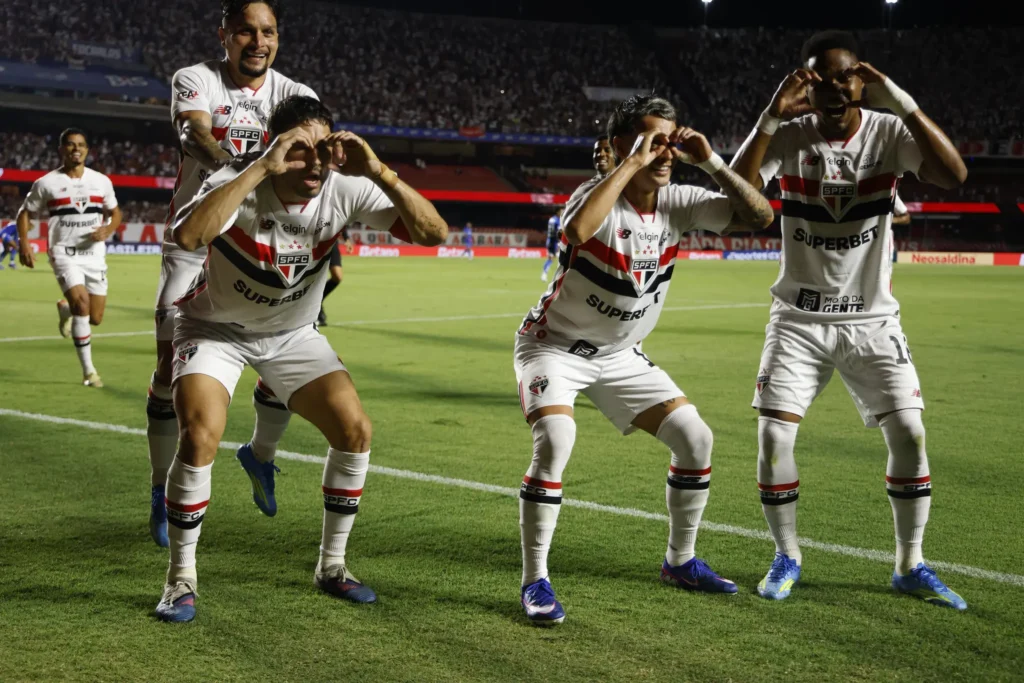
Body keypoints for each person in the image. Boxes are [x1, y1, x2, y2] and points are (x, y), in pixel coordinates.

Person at [155, 95, 448, 622]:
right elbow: (189, 236)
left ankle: (332, 567)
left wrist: (378, 170)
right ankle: (181, 580)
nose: (314, 162)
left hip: (291, 334)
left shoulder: (346, 188)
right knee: (200, 436)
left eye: (324, 150)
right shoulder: (236, 184)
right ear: (276, 144)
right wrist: (263, 165)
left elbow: (434, 234)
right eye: (299, 149)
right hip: (215, 328)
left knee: (354, 429)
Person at [514, 95, 774, 626]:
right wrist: (631, 160)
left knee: (696, 438)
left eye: (670, 141)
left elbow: (760, 216)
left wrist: (713, 162)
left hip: (619, 356)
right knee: (558, 440)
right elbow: (577, 232)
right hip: (553, 349)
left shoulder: (678, 200)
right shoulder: (596, 195)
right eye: (651, 140)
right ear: (618, 146)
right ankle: (534, 580)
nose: (664, 152)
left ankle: (679, 562)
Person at [730, 31, 968, 609]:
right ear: (804, 87)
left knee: (910, 433)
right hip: (798, 319)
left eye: (846, 78)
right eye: (821, 80)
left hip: (872, 320)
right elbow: (740, 200)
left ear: (863, 81)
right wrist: (767, 117)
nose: (835, 89)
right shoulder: (789, 137)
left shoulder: (887, 133)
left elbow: (952, 174)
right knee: (772, 436)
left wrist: (901, 99)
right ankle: (787, 555)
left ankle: (909, 564)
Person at [147, 0, 318, 549]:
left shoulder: (297, 97)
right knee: (168, 364)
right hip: (196, 239)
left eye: (268, 31)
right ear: (224, 34)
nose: (258, 41)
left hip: (265, 242)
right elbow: (192, 135)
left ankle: (261, 454)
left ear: (278, 38)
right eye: (246, 31)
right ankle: (159, 486)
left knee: (289, 345)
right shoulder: (196, 79)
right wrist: (244, 172)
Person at [16, 128, 121, 387]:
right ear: (61, 150)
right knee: (82, 305)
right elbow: (24, 213)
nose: (76, 149)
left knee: (95, 318)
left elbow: (115, 212)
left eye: (81, 145)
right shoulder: (46, 184)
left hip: (94, 256)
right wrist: (24, 243)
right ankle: (89, 372)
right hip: (64, 253)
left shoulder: (101, 181)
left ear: (87, 150)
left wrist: (108, 228)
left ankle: (66, 310)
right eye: (71, 145)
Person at [317, 237, 345, 326]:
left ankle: (318, 300)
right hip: (313, 240)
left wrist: (346, 238)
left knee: (337, 276)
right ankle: (316, 313)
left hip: (331, 241)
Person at [539, 208, 562, 282]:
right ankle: (545, 274)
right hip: (553, 242)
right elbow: (554, 233)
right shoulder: (555, 220)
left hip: (555, 241)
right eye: (561, 211)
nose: (563, 212)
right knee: (552, 258)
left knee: (557, 258)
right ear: (557, 212)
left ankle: (553, 275)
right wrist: (558, 243)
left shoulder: (555, 220)